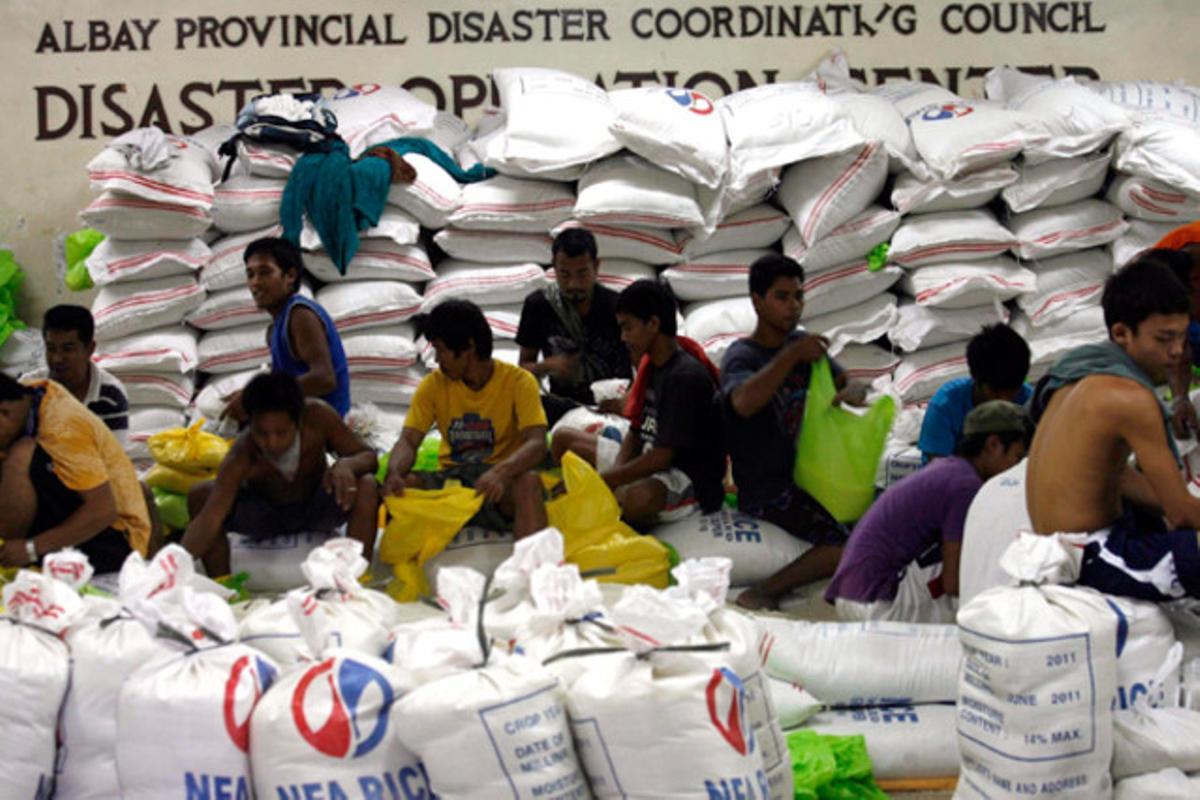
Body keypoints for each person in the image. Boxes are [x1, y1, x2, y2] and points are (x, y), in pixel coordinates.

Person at [1027, 257, 1200, 602]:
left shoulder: (1075, 376)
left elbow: (1114, 475)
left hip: (1063, 545)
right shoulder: (1129, 398)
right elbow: (1181, 514)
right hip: (1094, 555)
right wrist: (1182, 502)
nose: (1177, 352)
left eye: (1182, 337)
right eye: (1164, 339)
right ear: (1121, 333)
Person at [720, 254, 863, 611]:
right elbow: (743, 403)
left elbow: (849, 382)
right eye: (782, 297)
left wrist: (844, 395)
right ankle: (764, 591)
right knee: (841, 546)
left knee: (881, 512)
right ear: (757, 301)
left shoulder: (802, 344)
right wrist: (792, 355)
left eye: (798, 297)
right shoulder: (743, 356)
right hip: (769, 488)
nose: (794, 306)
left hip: (812, 475)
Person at [825, 401, 1032, 622]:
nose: (1016, 468)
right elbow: (952, 584)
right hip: (877, 603)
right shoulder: (965, 487)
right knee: (984, 556)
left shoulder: (949, 469)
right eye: (1017, 458)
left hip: (851, 593)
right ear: (993, 445)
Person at [182, 372, 378, 578]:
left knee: (367, 484)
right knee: (200, 494)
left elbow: (368, 457)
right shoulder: (242, 452)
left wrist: (346, 464)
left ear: (298, 421)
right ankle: (224, 584)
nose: (272, 443)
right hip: (266, 516)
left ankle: (357, 579)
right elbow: (210, 518)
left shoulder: (319, 417)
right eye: (262, 433)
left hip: (315, 506)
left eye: (281, 433)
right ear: (250, 423)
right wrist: (174, 565)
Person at [383, 300, 548, 538]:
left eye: (441, 350)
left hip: (500, 480)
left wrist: (500, 473)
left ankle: (529, 570)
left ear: (468, 346)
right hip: (452, 480)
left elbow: (537, 442)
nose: (437, 360)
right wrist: (395, 473)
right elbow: (409, 440)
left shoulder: (519, 382)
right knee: (400, 488)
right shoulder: (433, 385)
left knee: (529, 483)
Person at [569, 279, 725, 527]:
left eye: (627, 328)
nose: (623, 337)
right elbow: (636, 431)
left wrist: (607, 481)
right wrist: (614, 479)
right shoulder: (651, 364)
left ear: (653, 324)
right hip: (651, 459)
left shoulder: (685, 376)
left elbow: (663, 457)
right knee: (566, 440)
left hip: (687, 477)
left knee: (639, 499)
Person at [0, 372, 150, 573]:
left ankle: (22, 552)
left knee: (21, 456)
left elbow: (104, 510)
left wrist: (31, 549)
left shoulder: (63, 425)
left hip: (115, 537)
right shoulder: (28, 397)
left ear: (4, 412)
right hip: (70, 517)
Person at [225, 237, 350, 420]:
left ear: (290, 276)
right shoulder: (276, 327)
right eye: (250, 274)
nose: (255, 283)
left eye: (265, 272)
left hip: (322, 428)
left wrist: (256, 398)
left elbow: (324, 379)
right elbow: (284, 385)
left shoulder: (300, 315)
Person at [516, 228, 632, 425]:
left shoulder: (617, 307)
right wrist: (547, 366)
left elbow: (642, 368)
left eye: (582, 273)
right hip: (562, 406)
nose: (573, 284)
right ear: (553, 268)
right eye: (565, 274)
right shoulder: (539, 305)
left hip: (612, 407)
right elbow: (523, 368)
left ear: (596, 266)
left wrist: (625, 402)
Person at [918, 324, 1032, 463]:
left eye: (1012, 392)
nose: (1004, 401)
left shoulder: (1030, 404)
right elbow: (938, 473)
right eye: (995, 393)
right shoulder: (946, 405)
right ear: (975, 377)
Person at [22, 304, 129, 446]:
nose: (57, 358)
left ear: (89, 349)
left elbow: (114, 460)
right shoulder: (29, 388)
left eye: (68, 349)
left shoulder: (110, 396)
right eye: (51, 348)